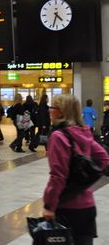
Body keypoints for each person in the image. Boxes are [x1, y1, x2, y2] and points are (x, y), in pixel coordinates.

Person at [42, 94, 109, 245]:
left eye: (52, 108)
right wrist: (83, 182)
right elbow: (103, 158)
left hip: (67, 208)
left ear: (61, 112)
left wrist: (49, 207)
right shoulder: (83, 132)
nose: (49, 111)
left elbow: (58, 176)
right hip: (87, 207)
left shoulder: (58, 136)